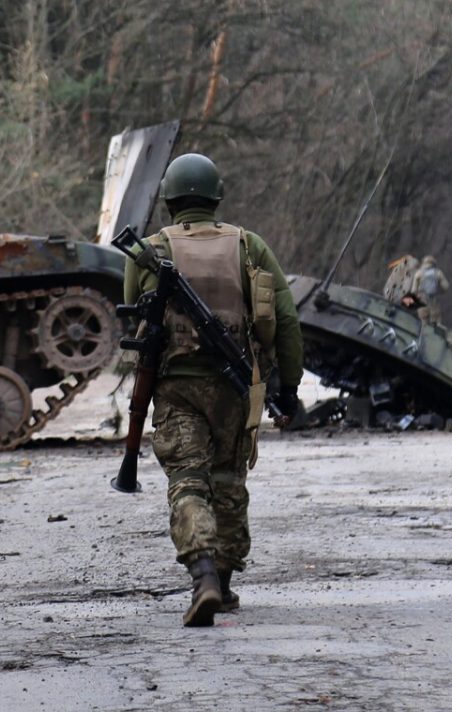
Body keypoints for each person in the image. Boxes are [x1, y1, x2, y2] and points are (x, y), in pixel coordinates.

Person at [123, 153, 304, 627]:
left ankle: (202, 574)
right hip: (234, 387)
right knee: (227, 481)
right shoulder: (249, 246)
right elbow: (286, 320)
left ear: (169, 200)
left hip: (176, 387)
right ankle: (221, 584)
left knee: (188, 480)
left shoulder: (149, 250)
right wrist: (289, 386)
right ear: (217, 197)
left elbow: (133, 315)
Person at [410, 255, 450, 324]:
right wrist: (440, 292)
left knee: (423, 320)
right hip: (433, 298)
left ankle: (424, 329)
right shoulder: (438, 272)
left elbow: (413, 290)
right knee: (435, 320)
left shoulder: (418, 273)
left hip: (421, 299)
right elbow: (446, 286)